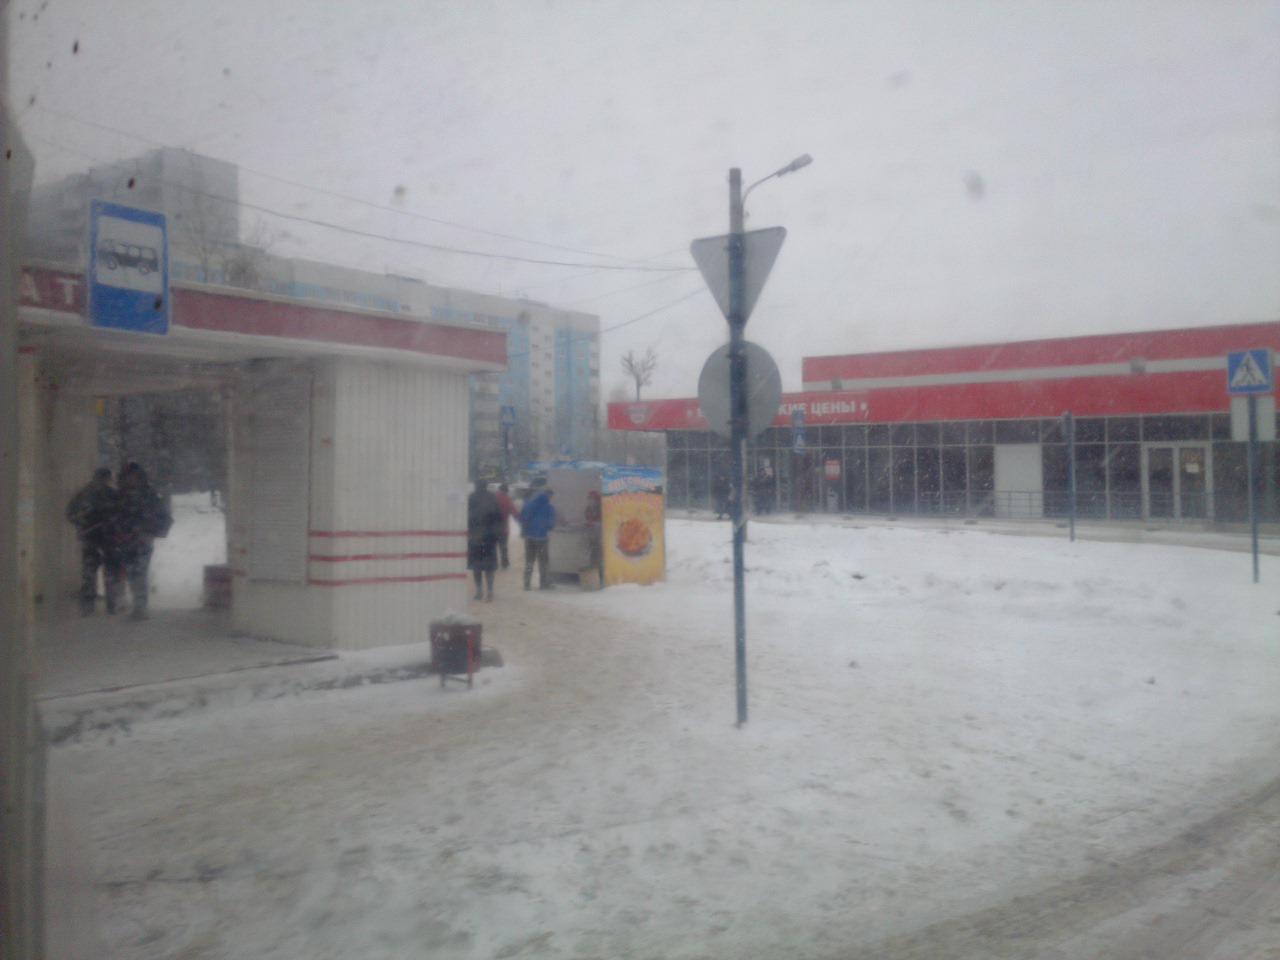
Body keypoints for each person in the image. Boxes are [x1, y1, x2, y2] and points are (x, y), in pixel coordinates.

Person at [114, 462, 171, 621]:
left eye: (134, 477)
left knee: (139, 571)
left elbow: (164, 518)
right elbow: (110, 517)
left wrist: (151, 533)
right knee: (131, 573)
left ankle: (140, 606)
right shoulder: (119, 496)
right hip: (124, 541)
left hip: (142, 541)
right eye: (128, 477)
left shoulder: (149, 496)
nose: (131, 480)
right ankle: (137, 604)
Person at [66, 466, 122, 616]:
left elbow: (70, 513)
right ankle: (109, 605)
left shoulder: (85, 494)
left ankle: (90, 606)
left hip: (95, 537)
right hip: (105, 538)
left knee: (91, 572)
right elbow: (121, 514)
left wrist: (82, 523)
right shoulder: (110, 494)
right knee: (106, 572)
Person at [466, 478, 503, 601]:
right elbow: (499, 517)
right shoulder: (492, 498)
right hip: (489, 538)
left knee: (477, 567)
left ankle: (479, 591)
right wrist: (497, 534)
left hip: (475, 538)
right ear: (486, 486)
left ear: (476, 486)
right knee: (489, 566)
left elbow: (467, 517)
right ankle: (490, 590)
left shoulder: (471, 498)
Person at [518, 481, 556, 591]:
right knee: (543, 561)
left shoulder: (529, 504)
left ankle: (526, 584)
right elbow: (550, 524)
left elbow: (522, 518)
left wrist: (527, 529)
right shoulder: (549, 507)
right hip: (541, 538)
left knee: (529, 561)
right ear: (549, 495)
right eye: (551, 496)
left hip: (529, 537)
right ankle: (543, 584)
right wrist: (546, 527)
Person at [494, 483, 519, 569]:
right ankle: (504, 563)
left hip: (492, 527)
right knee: (503, 546)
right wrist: (521, 521)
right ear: (506, 491)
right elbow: (514, 512)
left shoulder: (493, 497)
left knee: (492, 546)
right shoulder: (507, 499)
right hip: (503, 527)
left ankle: (493, 563)